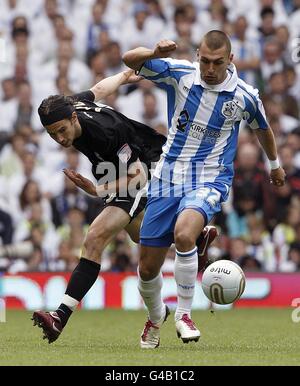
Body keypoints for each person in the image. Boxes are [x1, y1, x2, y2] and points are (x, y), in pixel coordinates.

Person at [122, 30, 286, 348]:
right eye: (205, 61)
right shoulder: (181, 74)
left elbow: (263, 129)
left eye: (218, 62)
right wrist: (155, 52)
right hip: (168, 178)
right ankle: (156, 317)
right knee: (147, 268)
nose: (210, 69)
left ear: (231, 60)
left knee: (184, 234)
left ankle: (184, 314)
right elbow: (129, 59)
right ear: (198, 55)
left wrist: (275, 165)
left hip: (211, 177)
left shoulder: (244, 95)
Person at [32, 70, 217, 343]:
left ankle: (60, 316)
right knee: (141, 241)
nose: (59, 138)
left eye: (61, 130)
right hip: (116, 171)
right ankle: (189, 239)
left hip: (146, 165)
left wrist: (97, 190)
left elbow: (137, 176)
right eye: (52, 134)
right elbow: (97, 89)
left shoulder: (104, 134)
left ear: (73, 118)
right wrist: (124, 76)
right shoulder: (69, 106)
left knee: (95, 237)